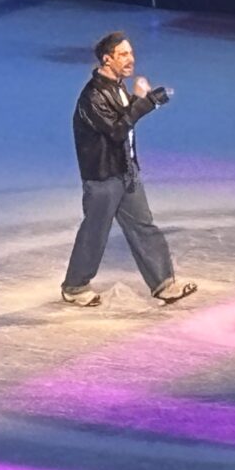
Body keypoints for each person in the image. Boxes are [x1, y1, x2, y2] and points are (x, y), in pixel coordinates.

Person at [61, 32, 197, 307]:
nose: (130, 59)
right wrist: (146, 104)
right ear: (106, 59)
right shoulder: (93, 96)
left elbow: (123, 120)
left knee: (143, 225)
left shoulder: (118, 87)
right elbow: (116, 130)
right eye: (123, 54)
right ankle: (74, 286)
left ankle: (163, 284)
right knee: (95, 231)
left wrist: (137, 101)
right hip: (102, 177)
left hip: (126, 171)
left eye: (131, 53)